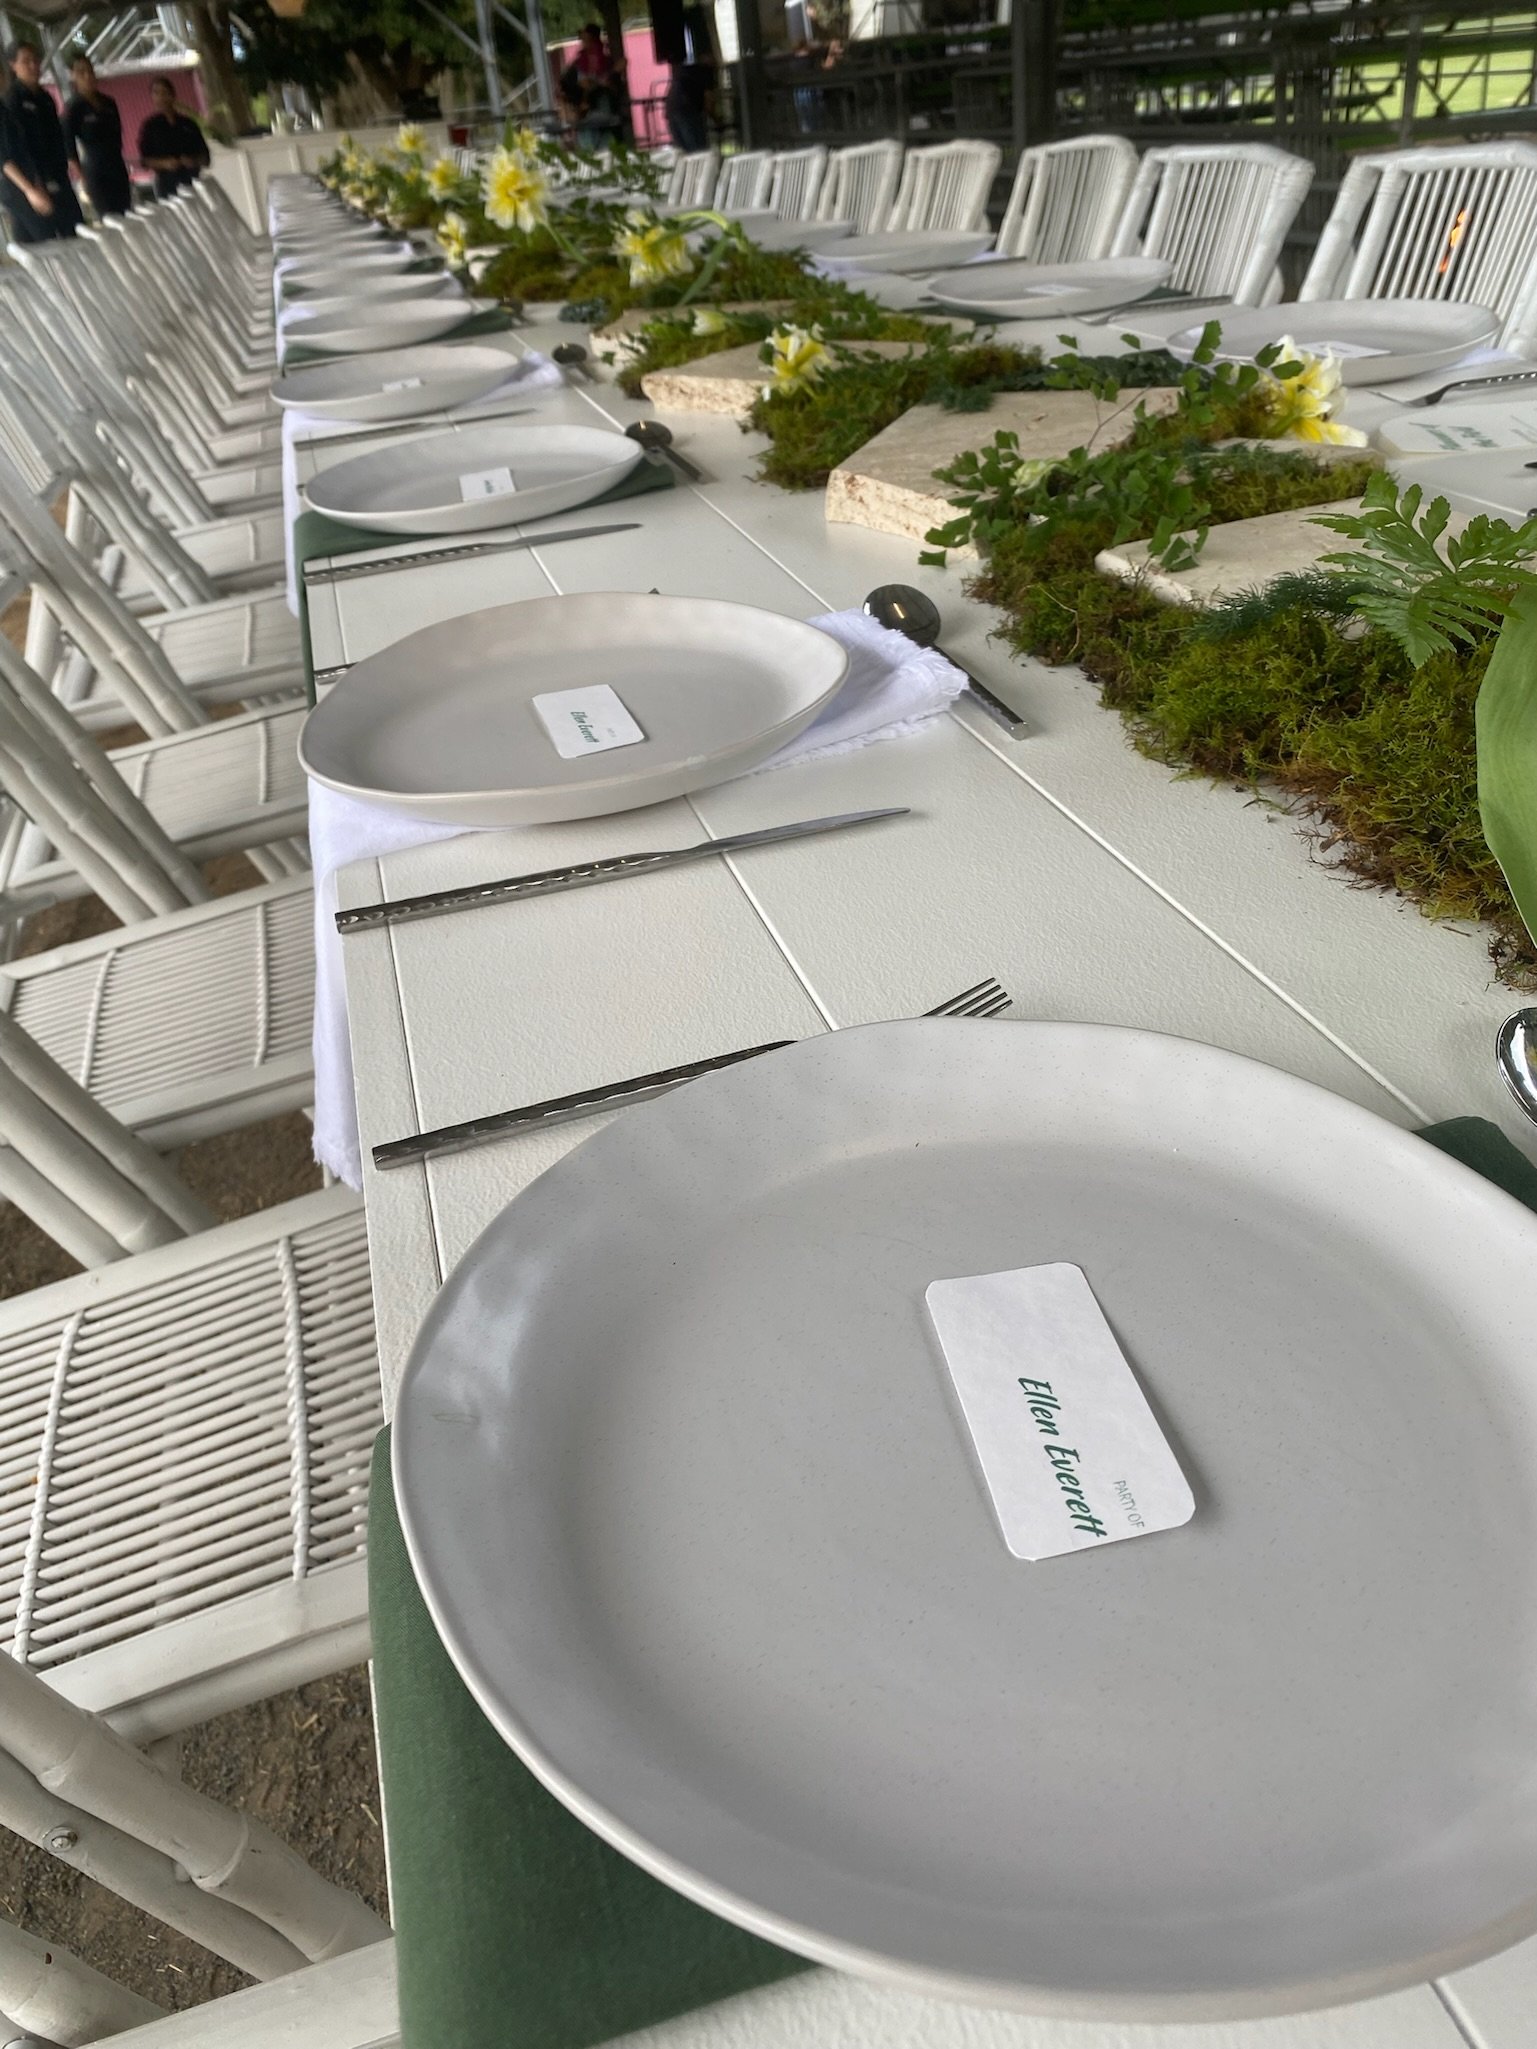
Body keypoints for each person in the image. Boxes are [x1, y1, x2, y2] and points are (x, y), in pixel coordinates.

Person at [1, 38, 82, 242]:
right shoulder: (12, 100)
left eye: (36, 60)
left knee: (71, 233)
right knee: (48, 243)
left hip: (55, 177)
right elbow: (7, 156)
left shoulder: (46, 98)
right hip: (29, 183)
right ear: (13, 65)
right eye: (26, 61)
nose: (33, 66)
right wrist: (32, 188)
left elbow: (57, 139)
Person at [63, 53, 131, 218]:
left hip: (117, 165)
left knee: (126, 213)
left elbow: (117, 136)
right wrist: (82, 178)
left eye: (90, 71)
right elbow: (69, 148)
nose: (87, 76)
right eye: (81, 72)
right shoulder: (73, 107)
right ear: (73, 75)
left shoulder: (108, 103)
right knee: (109, 217)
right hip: (95, 169)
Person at [137, 75, 208, 201]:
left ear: (172, 95)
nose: (161, 98)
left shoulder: (188, 124)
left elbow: (205, 157)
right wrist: (164, 164)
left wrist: (193, 160)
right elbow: (144, 160)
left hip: (191, 181)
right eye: (156, 93)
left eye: (164, 93)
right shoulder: (150, 126)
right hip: (166, 184)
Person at [664, 15, 715, 154]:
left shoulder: (684, 69)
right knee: (698, 152)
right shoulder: (707, 71)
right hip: (688, 110)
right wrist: (715, 118)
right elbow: (708, 100)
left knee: (684, 153)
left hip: (672, 107)